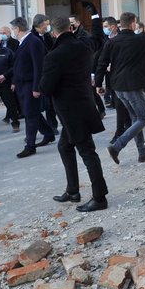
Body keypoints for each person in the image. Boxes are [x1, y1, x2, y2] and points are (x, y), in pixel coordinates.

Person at [40, 17, 109, 213]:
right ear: (71, 28)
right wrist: (95, 17)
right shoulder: (83, 46)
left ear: (54, 32)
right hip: (84, 104)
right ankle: (72, 191)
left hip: (71, 112)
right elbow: (97, 37)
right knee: (64, 146)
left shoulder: (54, 55)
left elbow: (46, 87)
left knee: (87, 152)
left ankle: (100, 197)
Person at [96, 10, 145, 164]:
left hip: (118, 87)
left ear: (121, 24)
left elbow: (102, 63)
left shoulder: (111, 42)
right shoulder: (140, 40)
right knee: (143, 118)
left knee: (135, 118)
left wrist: (99, 84)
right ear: (133, 23)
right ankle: (116, 147)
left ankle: (143, 152)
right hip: (132, 87)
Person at [10, 16, 52, 158]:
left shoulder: (33, 42)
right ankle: (48, 133)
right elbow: (19, 64)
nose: (13, 32)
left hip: (30, 85)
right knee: (32, 112)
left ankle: (30, 145)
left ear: (17, 28)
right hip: (22, 84)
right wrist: (15, 81)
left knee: (30, 115)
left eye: (13, 29)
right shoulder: (22, 42)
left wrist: (36, 87)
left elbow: (38, 66)